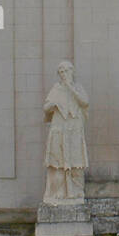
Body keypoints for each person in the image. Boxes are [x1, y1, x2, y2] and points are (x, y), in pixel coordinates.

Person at [43, 61, 89, 203]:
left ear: (72, 72)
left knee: (76, 160)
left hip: (74, 129)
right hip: (59, 129)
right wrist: (53, 104)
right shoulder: (56, 89)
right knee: (59, 161)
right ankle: (59, 191)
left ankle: (75, 191)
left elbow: (85, 102)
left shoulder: (77, 88)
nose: (64, 75)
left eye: (66, 71)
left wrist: (71, 88)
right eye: (61, 72)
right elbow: (46, 107)